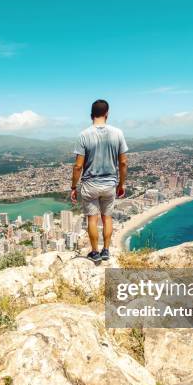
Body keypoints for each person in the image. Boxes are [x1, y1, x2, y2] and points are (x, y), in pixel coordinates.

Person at [70, 99, 128, 263]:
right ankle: (106, 250)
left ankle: (95, 252)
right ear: (107, 114)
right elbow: (123, 162)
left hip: (90, 184)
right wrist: (121, 184)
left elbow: (77, 166)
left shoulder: (84, 135)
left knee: (92, 219)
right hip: (109, 184)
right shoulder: (118, 133)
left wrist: (73, 187)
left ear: (91, 115)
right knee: (107, 218)